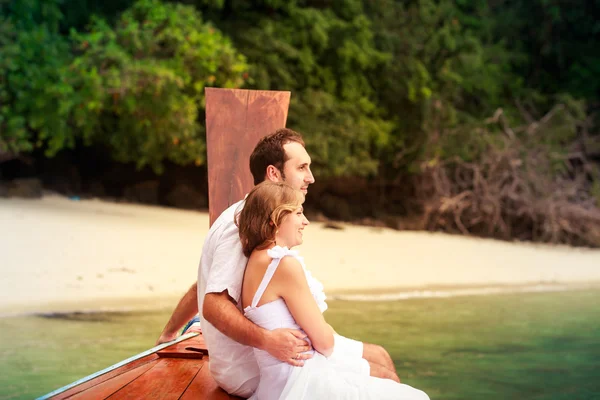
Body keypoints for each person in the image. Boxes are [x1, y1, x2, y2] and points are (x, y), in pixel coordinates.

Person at [158, 129, 399, 396]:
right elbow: (213, 304)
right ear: (274, 174)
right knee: (382, 372)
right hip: (252, 366)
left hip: (273, 351)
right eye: (302, 167)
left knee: (381, 356)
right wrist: (268, 340)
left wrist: (170, 333)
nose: (311, 177)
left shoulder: (251, 217)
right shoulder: (239, 224)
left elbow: (204, 284)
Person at [238, 181, 429, 399]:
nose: (306, 221)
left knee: (383, 374)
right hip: (301, 381)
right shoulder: (283, 265)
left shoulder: (256, 259)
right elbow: (325, 343)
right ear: (275, 219)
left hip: (279, 380)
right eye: (299, 213)